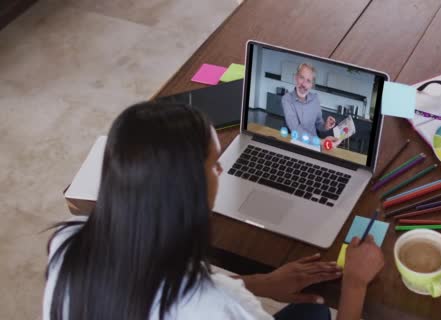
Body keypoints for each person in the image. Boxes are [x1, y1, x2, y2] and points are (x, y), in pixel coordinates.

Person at [43, 102, 385, 320]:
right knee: (316, 313)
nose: (221, 169)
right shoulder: (221, 309)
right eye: (214, 164)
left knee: (311, 312)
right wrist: (354, 284)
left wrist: (260, 283)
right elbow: (204, 299)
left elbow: (163, 284)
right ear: (188, 190)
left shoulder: (67, 243)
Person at [281, 63, 337, 140]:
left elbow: (319, 125)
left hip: (314, 145)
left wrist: (325, 126)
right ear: (296, 77)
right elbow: (295, 129)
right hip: (296, 143)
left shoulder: (315, 99)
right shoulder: (287, 99)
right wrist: (319, 142)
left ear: (312, 85)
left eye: (308, 81)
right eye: (301, 77)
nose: (304, 84)